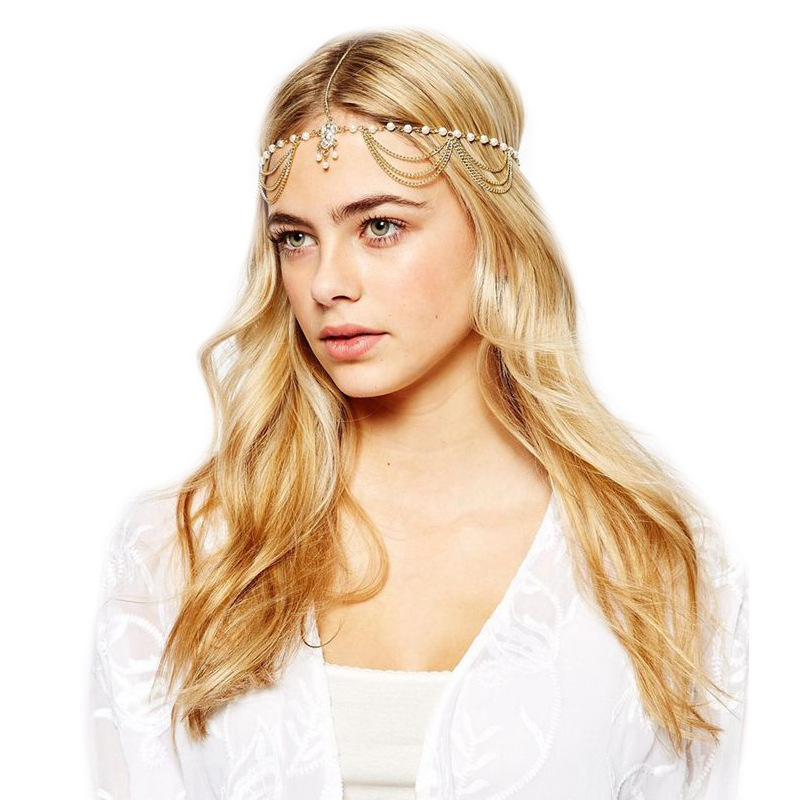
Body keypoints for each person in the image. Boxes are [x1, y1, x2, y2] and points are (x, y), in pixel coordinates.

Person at [88, 28, 748, 799]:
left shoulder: (649, 561)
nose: (327, 283)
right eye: (296, 238)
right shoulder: (185, 551)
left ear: (495, 233)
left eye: (380, 226)